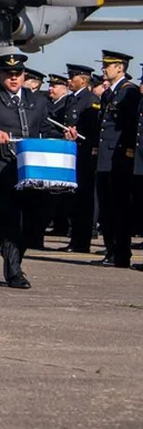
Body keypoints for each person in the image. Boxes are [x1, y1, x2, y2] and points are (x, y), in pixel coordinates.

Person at [0, 53, 76, 288]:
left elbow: (46, 127)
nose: (14, 79)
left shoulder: (37, 100)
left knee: (38, 218)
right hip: (0, 168)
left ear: (24, 75)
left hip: (30, 171)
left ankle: (14, 256)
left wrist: (64, 134)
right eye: (8, 74)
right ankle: (14, 271)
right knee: (9, 221)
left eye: (18, 74)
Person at [93, 50, 139, 268]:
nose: (104, 69)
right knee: (106, 207)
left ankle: (121, 253)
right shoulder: (108, 93)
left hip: (119, 158)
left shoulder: (128, 92)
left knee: (119, 208)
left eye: (109, 65)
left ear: (120, 68)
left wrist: (128, 152)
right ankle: (110, 250)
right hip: (105, 157)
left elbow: (131, 127)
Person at [59, 64, 97, 253]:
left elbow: (92, 130)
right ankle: (74, 239)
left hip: (83, 154)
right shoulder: (71, 99)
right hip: (70, 154)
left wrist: (78, 134)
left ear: (83, 79)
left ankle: (82, 241)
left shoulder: (90, 99)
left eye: (72, 77)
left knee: (83, 200)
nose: (69, 80)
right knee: (73, 200)